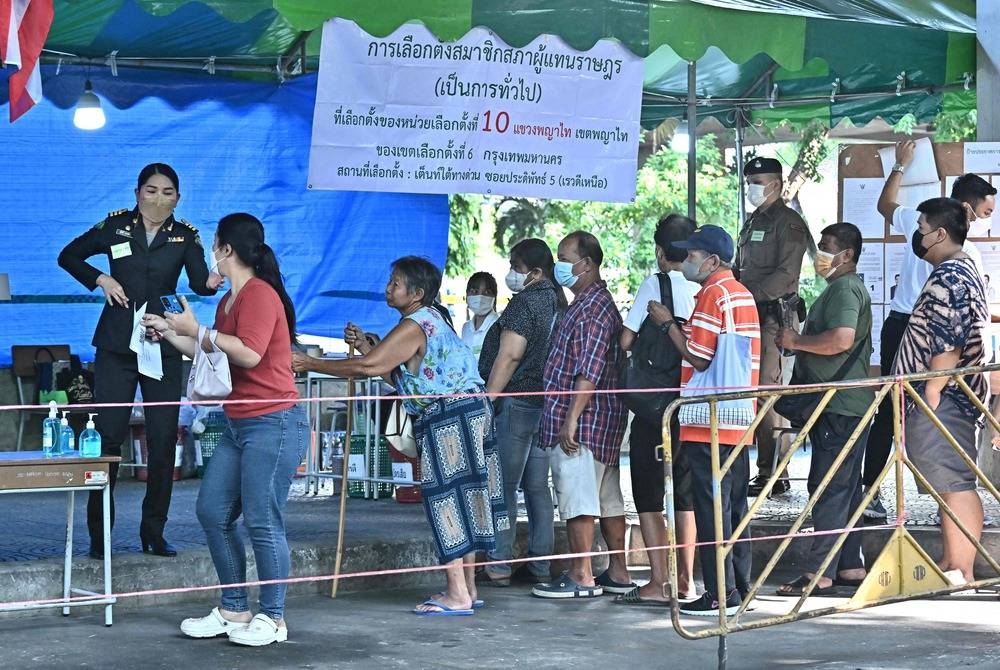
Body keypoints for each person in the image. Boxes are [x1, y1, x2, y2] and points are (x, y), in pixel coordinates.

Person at [293, 256, 507, 616]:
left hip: (449, 417)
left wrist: (308, 363)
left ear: (417, 293)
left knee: (448, 499)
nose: (389, 288)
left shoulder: (416, 323)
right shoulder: (435, 318)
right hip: (469, 411)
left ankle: (457, 592)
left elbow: (371, 367)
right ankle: (467, 587)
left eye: (396, 283)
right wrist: (366, 347)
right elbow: (402, 378)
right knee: (467, 497)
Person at [143, 213, 307, 646]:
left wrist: (196, 329)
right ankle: (235, 607)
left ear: (226, 249)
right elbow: (209, 350)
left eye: (214, 245)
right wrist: (171, 331)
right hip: (238, 425)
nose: (210, 254)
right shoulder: (228, 301)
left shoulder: (259, 295)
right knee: (213, 512)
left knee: (262, 519)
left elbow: (249, 354)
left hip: (274, 423)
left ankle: (273, 618)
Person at [58, 163, 222, 560]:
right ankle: (100, 537)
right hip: (116, 346)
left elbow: (201, 283)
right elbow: (70, 256)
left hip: (161, 342)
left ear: (177, 198)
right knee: (108, 437)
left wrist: (217, 279)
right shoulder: (115, 228)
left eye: (168, 192)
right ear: (137, 193)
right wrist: (102, 279)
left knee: (163, 440)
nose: (158, 199)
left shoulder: (185, 236)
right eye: (151, 190)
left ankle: (154, 532)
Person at [863, 141, 995, 521]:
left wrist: (900, 167)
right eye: (984, 212)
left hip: (926, 335)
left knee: (931, 415)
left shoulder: (954, 249)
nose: (985, 221)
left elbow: (884, 205)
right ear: (965, 210)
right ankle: (876, 490)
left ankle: (947, 494)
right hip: (910, 329)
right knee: (895, 411)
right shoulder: (934, 226)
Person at [657, 225, 759, 616]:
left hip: (708, 420)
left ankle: (719, 595)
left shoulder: (713, 295)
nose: (686, 261)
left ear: (713, 260)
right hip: (738, 417)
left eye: (692, 255)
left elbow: (698, 357)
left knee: (710, 509)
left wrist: (667, 323)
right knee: (734, 508)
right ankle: (740, 589)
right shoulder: (741, 294)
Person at [893, 197, 989, 585]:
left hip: (942, 398)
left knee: (954, 482)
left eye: (921, 228)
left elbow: (947, 343)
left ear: (940, 233)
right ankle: (952, 563)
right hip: (948, 396)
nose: (917, 235)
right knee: (946, 483)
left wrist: (931, 394)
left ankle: (962, 567)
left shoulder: (949, 276)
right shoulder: (963, 269)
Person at [774, 223, 873, 596]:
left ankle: (820, 572)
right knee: (844, 487)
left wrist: (797, 340)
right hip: (845, 404)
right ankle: (849, 565)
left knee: (828, 486)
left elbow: (841, 340)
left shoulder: (846, 289)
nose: (821, 254)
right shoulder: (840, 289)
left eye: (827, 247)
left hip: (839, 405)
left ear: (846, 254)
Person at [532, 231, 631, 599]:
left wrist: (571, 418)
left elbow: (587, 370)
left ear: (586, 264)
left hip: (584, 421)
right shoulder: (595, 303)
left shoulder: (591, 309)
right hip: (603, 419)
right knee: (607, 499)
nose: (558, 265)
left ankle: (581, 574)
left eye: (564, 257)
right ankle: (617, 573)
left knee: (578, 499)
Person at [615, 214, 700, 606]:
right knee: (685, 496)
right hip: (693, 404)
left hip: (654, 407)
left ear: (661, 251)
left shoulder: (656, 284)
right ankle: (686, 581)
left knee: (648, 492)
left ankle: (656, 581)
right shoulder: (706, 286)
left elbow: (628, 338)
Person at [477, 239, 564, 587]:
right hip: (544, 404)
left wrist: (488, 398)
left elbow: (509, 355)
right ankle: (540, 565)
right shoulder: (559, 301)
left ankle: (498, 564)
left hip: (515, 403)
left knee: (504, 486)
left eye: (516, 266)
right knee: (537, 488)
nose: (512, 273)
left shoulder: (524, 304)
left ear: (536, 272)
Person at [734, 157, 809, 496]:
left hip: (772, 318)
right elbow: (740, 267)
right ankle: (758, 468)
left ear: (776, 184)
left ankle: (773, 473)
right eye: (748, 180)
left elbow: (786, 275)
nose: (751, 187)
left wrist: (746, 295)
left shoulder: (789, 223)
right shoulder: (751, 222)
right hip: (745, 315)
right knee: (746, 391)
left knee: (767, 393)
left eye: (758, 180)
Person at [460, 271, 499, 359]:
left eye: (487, 292)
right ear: (467, 295)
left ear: (494, 297)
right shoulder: (465, 328)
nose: (480, 297)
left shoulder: (500, 326)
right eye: (475, 291)